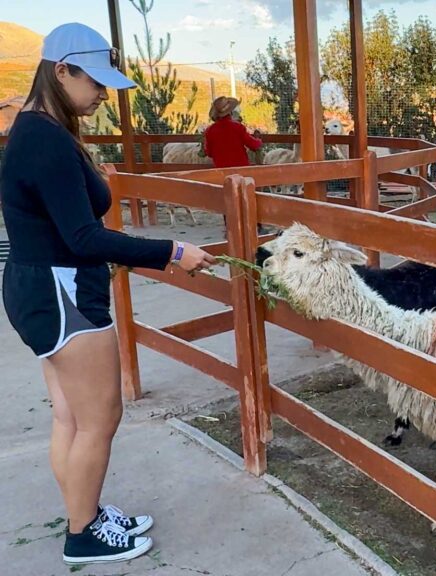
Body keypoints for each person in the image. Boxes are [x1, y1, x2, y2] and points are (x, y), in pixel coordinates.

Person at [0, 23, 215, 565]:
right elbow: (83, 236)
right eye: (93, 80)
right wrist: (171, 251)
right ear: (61, 70)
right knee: (100, 418)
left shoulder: (35, 128)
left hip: (41, 289)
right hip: (63, 292)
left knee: (70, 417)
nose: (101, 92)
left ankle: (85, 512)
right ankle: (82, 534)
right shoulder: (46, 139)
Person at [202, 96, 262, 168]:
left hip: (221, 170)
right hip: (241, 169)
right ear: (230, 112)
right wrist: (259, 141)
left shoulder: (210, 131)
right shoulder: (238, 127)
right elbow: (253, 144)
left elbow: (209, 153)